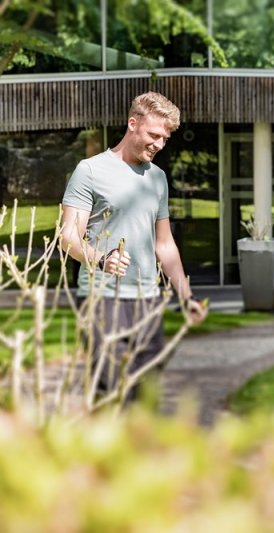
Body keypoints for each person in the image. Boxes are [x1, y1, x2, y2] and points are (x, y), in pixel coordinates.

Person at [60, 91, 208, 403]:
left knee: (146, 394)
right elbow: (69, 237)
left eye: (165, 138)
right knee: (108, 392)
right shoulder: (90, 170)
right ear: (132, 124)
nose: (159, 144)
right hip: (103, 299)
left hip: (148, 301)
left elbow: (164, 244)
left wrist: (186, 297)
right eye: (154, 135)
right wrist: (102, 259)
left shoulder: (158, 179)